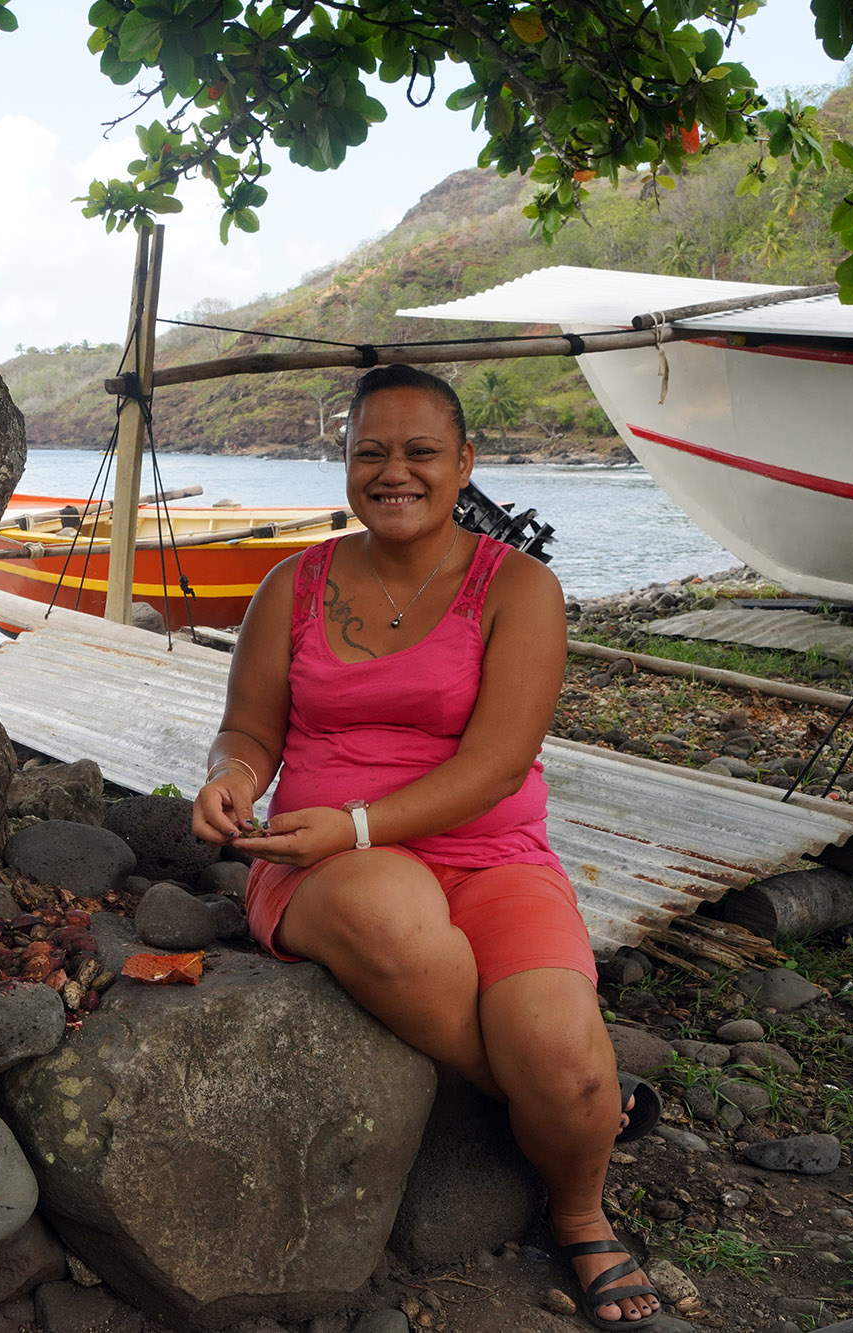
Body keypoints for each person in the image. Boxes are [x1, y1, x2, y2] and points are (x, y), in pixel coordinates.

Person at [189, 365, 661, 1329]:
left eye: (419, 452)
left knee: (566, 1053)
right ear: (346, 464)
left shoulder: (519, 587)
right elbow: (250, 730)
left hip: (494, 855)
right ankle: (561, 1123)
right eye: (370, 451)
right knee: (385, 914)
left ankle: (576, 1205)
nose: (392, 471)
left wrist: (361, 819)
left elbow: (495, 765)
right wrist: (233, 779)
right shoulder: (294, 583)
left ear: (465, 465)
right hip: (331, 866)